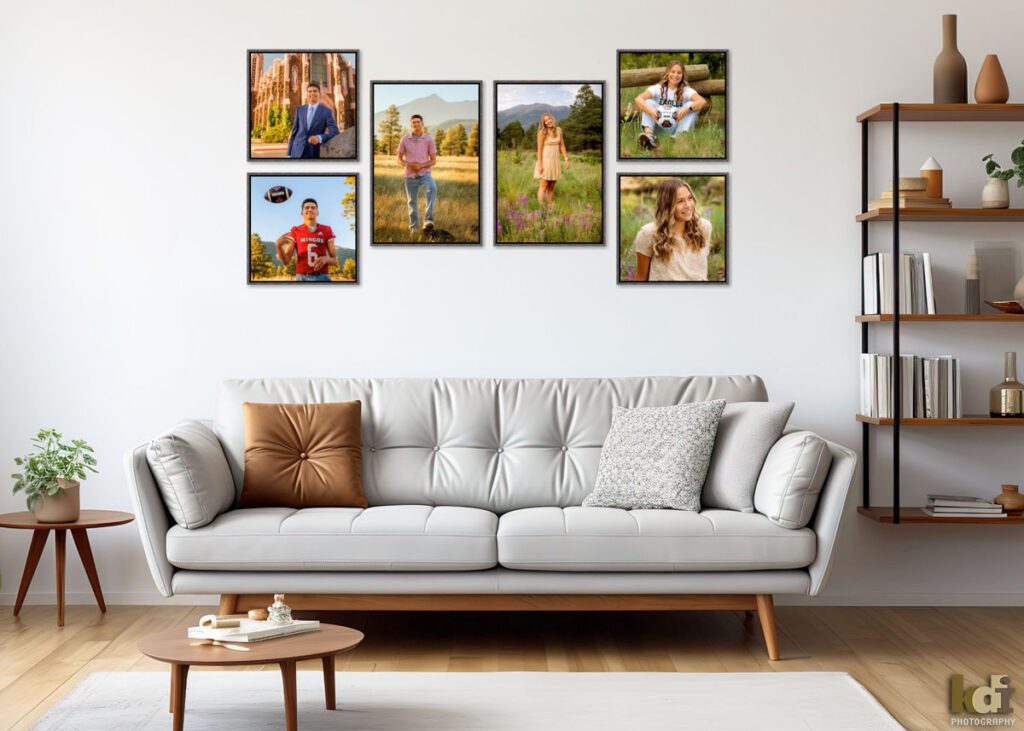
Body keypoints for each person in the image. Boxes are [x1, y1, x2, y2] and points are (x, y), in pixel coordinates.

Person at [632, 179, 712, 281]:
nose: (688, 205)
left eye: (690, 198)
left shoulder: (704, 227)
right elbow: (641, 278)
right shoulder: (648, 234)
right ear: (667, 206)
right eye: (680, 201)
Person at [633, 60, 707, 150]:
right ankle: (649, 136)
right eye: (673, 72)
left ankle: (679, 138)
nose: (675, 75)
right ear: (668, 73)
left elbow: (702, 101)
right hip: (659, 124)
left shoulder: (686, 90)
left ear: (683, 75)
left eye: (679, 73)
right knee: (648, 102)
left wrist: (686, 109)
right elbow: (638, 99)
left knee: (692, 105)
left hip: (677, 126)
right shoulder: (658, 88)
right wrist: (650, 110)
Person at [275, 197, 338, 282]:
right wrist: (278, 246)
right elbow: (286, 261)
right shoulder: (295, 230)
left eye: (313, 207)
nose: (310, 209)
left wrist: (326, 259)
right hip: (302, 277)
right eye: (307, 207)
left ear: (317, 212)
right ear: (302, 212)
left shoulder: (327, 229)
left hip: (323, 277)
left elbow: (334, 261)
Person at [397, 114, 437, 232]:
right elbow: (398, 159)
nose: (416, 124)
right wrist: (408, 165)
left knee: (432, 188)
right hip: (409, 175)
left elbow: (434, 160)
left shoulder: (429, 139)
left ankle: (428, 220)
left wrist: (421, 165)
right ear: (411, 125)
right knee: (412, 201)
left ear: (422, 124)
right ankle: (414, 228)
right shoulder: (404, 139)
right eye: (413, 122)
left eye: (418, 122)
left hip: (425, 173)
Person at [287, 83, 339, 159]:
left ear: (319, 94)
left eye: (315, 91)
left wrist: (319, 138)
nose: (312, 93)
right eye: (310, 91)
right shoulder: (300, 110)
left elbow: (335, 132)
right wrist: (289, 154)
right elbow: (294, 133)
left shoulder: (327, 111)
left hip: (313, 152)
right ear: (307, 94)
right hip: (296, 152)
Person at [533, 112, 569, 205]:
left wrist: (566, 159)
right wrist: (540, 165)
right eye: (546, 120)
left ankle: (549, 207)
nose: (548, 121)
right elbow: (539, 150)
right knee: (544, 185)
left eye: (549, 119)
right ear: (544, 123)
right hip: (545, 161)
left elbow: (562, 146)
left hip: (555, 161)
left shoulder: (559, 130)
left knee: (551, 187)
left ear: (552, 119)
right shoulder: (542, 132)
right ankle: (540, 208)